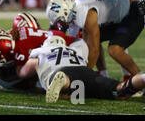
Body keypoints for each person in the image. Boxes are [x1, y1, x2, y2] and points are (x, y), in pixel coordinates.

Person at [17, 35, 145, 103]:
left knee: (61, 87)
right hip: (86, 72)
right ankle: (142, 78)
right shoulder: (73, 51)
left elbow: (23, 73)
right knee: (119, 91)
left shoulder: (41, 52)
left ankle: (64, 82)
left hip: (63, 72)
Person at [46, 0, 142, 77]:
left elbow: (94, 51)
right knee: (88, 41)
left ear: (65, 12)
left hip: (133, 13)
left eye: (60, 21)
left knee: (114, 50)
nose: (61, 25)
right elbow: (80, 47)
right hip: (119, 17)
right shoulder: (76, 11)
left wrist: (84, 75)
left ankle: (140, 80)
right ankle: (103, 74)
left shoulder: (85, 14)